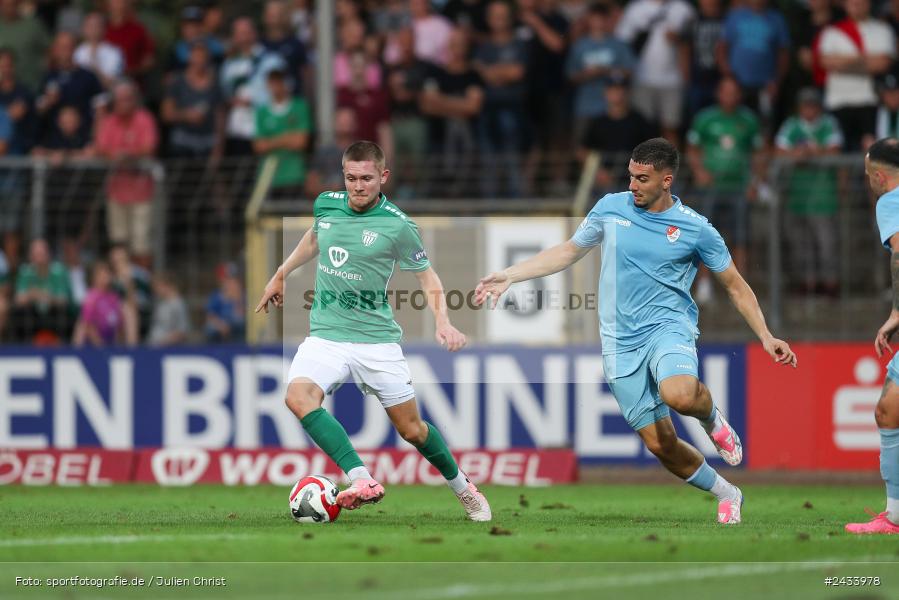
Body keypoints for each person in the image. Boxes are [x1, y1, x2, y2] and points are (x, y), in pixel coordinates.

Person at [475, 138, 797, 525]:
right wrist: (510, 275)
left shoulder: (696, 229)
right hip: (618, 341)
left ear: (666, 180)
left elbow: (734, 285)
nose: (632, 186)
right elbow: (567, 251)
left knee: (677, 393)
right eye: (630, 176)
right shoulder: (610, 208)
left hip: (668, 327)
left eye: (641, 179)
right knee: (660, 444)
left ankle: (712, 419)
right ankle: (727, 493)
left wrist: (765, 335)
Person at [255, 140, 491, 521]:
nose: (358, 186)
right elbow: (315, 237)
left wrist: (443, 321)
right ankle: (361, 478)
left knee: (412, 430)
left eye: (366, 178)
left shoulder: (398, 226)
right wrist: (281, 274)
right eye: (351, 178)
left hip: (376, 341)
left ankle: (463, 487)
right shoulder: (326, 204)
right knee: (298, 397)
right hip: (326, 334)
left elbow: (428, 278)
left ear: (383, 177)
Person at [847, 136, 899, 534]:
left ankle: (895, 519)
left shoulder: (890, 201)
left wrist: (897, 310)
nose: (869, 183)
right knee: (889, 410)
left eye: (869, 176)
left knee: (887, 411)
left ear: (881, 176)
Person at [773, 87, 843, 297]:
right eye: (805, 105)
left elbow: (834, 151)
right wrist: (801, 155)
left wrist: (812, 153)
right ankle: (807, 284)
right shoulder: (791, 125)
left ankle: (830, 286)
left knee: (826, 244)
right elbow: (779, 152)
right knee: (800, 244)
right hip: (797, 196)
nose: (809, 109)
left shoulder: (829, 124)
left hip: (824, 196)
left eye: (813, 105)